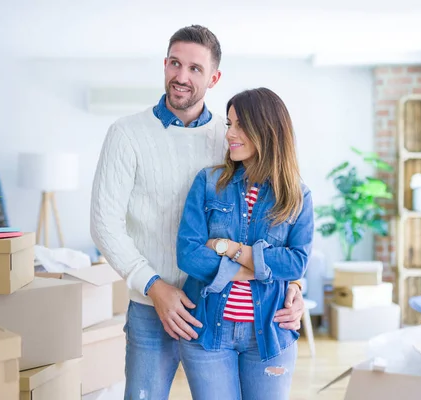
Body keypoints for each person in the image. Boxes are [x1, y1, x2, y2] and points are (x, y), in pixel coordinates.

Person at [90, 25, 306, 400]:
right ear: (165, 64)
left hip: (213, 303)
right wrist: (155, 287)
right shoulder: (126, 134)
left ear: (214, 77)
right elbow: (103, 224)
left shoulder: (229, 139)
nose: (181, 76)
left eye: (195, 68)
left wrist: (294, 286)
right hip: (150, 302)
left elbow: (280, 219)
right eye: (175, 63)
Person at [176, 87, 314, 400]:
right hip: (208, 332)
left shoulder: (297, 196)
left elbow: (296, 263)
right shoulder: (208, 182)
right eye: (229, 124)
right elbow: (188, 254)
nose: (229, 134)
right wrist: (261, 267)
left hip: (270, 334)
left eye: (239, 125)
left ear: (266, 129)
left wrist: (228, 247)